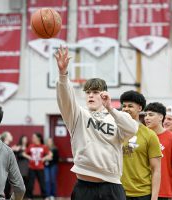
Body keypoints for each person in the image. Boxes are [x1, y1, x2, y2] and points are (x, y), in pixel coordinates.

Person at [54, 46, 138, 200]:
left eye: (95, 92)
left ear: (104, 94)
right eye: (88, 92)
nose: (91, 95)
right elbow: (65, 98)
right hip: (84, 185)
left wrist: (111, 108)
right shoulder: (78, 115)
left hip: (111, 185)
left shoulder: (115, 116)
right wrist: (62, 74)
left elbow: (132, 129)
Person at [120, 90, 162, 200]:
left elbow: (156, 169)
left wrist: (154, 197)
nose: (126, 109)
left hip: (142, 194)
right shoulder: (115, 131)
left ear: (139, 108)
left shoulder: (150, 135)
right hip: (118, 191)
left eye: (130, 106)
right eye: (124, 106)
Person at [144, 102, 172, 200]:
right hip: (143, 190)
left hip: (164, 192)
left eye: (150, 115)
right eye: (145, 115)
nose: (146, 118)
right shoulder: (142, 135)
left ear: (161, 117)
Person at [22, 132, 53, 199]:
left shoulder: (43, 147)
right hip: (31, 168)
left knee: (42, 183)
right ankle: (29, 197)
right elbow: (23, 153)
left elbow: (50, 155)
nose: (32, 138)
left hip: (40, 168)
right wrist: (29, 157)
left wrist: (44, 158)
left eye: (34, 137)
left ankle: (44, 197)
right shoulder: (30, 146)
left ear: (38, 138)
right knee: (30, 184)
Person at [0, 131, 14, 199]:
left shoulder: (7, 147)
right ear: (6, 138)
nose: (11, 136)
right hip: (3, 171)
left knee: (7, 189)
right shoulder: (3, 146)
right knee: (5, 189)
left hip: (7, 171)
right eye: (10, 135)